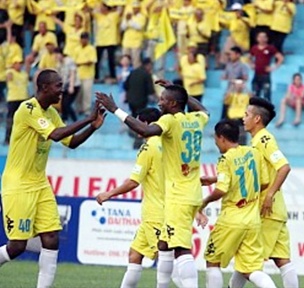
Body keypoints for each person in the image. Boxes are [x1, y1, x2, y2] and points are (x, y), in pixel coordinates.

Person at [96, 80, 209, 288]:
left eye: (164, 99)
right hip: (188, 193)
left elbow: (146, 132)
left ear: (173, 104)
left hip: (173, 199)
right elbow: (204, 110)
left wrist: (115, 110)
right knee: (161, 248)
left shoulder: (166, 125)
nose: (160, 102)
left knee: (180, 250)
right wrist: (180, 91)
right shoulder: (196, 119)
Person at [0, 69, 105, 288]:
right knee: (17, 246)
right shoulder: (28, 109)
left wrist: (92, 128)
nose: (62, 89)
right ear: (44, 87)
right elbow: (56, 135)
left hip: (39, 184)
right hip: (18, 185)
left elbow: (71, 142)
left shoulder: (52, 113)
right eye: (58, 85)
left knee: (51, 239)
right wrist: (88, 117)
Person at [198, 119, 277, 288]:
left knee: (213, 261)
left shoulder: (225, 159)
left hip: (231, 218)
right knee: (252, 270)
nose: (216, 143)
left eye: (215, 139)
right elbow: (264, 183)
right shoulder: (253, 153)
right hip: (252, 220)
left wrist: (203, 203)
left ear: (222, 138)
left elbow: (221, 190)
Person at [231, 97, 298, 288]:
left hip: (267, 211)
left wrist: (268, 195)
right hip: (276, 211)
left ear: (257, 119)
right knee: (282, 260)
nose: (243, 118)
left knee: (247, 260)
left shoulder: (264, 139)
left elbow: (284, 167)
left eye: (246, 115)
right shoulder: (257, 141)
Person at [96, 108, 166, 288]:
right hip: (160, 211)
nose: (135, 129)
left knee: (168, 262)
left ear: (148, 125)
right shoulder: (168, 143)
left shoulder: (149, 147)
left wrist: (108, 194)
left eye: (138, 123)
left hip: (156, 214)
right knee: (135, 255)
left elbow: (133, 182)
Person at [249, 31, 284, 102]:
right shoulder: (254, 48)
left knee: (266, 95)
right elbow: (249, 57)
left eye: (263, 37)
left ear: (266, 39)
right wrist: (251, 64)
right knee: (255, 94)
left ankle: (267, 111)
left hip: (266, 75)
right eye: (260, 37)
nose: (262, 39)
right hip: (256, 74)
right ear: (257, 38)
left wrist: (273, 67)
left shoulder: (270, 48)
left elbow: (280, 58)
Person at [4, 56, 29, 144]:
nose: (19, 65)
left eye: (20, 63)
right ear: (14, 64)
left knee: (23, 120)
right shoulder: (10, 72)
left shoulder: (24, 74)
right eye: (17, 63)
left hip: (23, 98)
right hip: (13, 99)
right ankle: (7, 138)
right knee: (10, 119)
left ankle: (22, 138)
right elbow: (8, 77)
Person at [75, 32, 97, 116]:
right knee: (79, 93)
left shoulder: (91, 49)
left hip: (88, 75)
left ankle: (86, 110)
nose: (83, 40)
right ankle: (79, 108)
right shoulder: (77, 49)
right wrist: (83, 63)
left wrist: (80, 63)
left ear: (88, 39)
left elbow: (91, 61)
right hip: (78, 74)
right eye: (82, 38)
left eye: (85, 39)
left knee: (87, 93)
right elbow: (74, 62)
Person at [224, 79, 252, 144]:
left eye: (240, 85)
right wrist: (232, 87)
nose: (239, 87)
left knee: (242, 136)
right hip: (232, 117)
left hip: (242, 117)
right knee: (231, 137)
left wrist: (245, 87)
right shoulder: (232, 95)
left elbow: (251, 98)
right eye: (237, 85)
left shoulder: (245, 96)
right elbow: (226, 100)